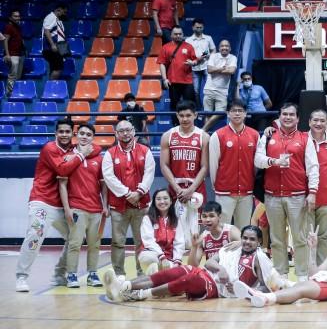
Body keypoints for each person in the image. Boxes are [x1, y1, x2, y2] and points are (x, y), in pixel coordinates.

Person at [15, 119, 99, 292]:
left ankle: (59, 274)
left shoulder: (72, 151)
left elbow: (94, 149)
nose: (64, 135)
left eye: (68, 132)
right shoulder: (50, 148)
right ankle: (22, 277)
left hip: (62, 205)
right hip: (42, 201)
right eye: (61, 132)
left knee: (74, 238)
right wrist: (80, 155)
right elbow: (62, 170)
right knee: (35, 236)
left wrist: (83, 152)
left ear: (72, 134)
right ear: (56, 134)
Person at [104, 225, 279, 302]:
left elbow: (265, 287)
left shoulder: (260, 258)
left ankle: (141, 294)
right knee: (175, 272)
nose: (247, 242)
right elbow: (210, 262)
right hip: (210, 274)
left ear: (259, 242)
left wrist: (245, 290)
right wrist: (221, 268)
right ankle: (123, 287)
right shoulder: (233, 247)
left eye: (252, 240)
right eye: (245, 238)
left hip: (218, 288)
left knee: (191, 276)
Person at [255, 103, 319, 280]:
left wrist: (312, 192)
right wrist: (274, 162)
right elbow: (258, 160)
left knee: (300, 239)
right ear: (279, 116)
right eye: (284, 114)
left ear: (298, 118)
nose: (288, 117)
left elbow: (313, 167)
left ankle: (302, 275)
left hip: (297, 196)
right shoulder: (268, 136)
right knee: (277, 239)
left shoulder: (305, 138)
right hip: (272, 196)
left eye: (292, 114)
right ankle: (281, 275)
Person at [57, 123, 109, 288]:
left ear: (93, 138)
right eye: (81, 133)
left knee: (94, 244)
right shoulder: (68, 157)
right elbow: (62, 185)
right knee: (75, 244)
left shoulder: (100, 159)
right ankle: (71, 275)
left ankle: (92, 274)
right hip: (77, 208)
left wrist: (105, 206)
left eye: (88, 134)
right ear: (76, 135)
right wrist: (67, 208)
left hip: (96, 209)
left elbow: (103, 186)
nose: (84, 136)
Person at [102, 120, 155, 277]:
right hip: (118, 206)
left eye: (128, 130)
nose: (125, 133)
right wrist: (127, 193)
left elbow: (149, 173)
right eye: (121, 131)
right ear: (116, 134)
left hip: (142, 204)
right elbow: (108, 177)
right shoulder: (110, 154)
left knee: (142, 241)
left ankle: (142, 273)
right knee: (118, 242)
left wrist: (138, 192)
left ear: (134, 131)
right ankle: (119, 275)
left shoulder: (146, 151)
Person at [160, 101, 210, 245]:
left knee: (196, 233)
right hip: (176, 188)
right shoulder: (168, 135)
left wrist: (191, 189)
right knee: (176, 231)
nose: (185, 119)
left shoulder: (203, 136)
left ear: (195, 115)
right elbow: (164, 165)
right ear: (177, 116)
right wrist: (178, 189)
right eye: (181, 115)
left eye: (188, 115)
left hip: (196, 188)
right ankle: (178, 264)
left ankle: (194, 266)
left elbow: (205, 167)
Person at [209, 100, 259, 229]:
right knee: (222, 229)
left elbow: (256, 165)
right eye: (233, 111)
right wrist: (217, 186)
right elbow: (213, 164)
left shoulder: (254, 135)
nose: (237, 114)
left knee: (243, 229)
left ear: (245, 113)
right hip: (224, 191)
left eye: (240, 111)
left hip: (246, 191)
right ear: (227, 113)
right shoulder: (218, 135)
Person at [308, 109, 327, 264]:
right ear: (309, 122)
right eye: (315, 120)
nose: (318, 124)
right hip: (306, 198)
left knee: (324, 236)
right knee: (307, 236)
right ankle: (307, 271)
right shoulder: (301, 138)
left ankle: (323, 271)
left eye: (322, 121)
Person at [138, 189, 186, 275]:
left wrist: (177, 262)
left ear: (171, 201)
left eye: (165, 198)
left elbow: (179, 243)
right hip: (153, 255)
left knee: (182, 274)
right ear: (154, 202)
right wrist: (162, 257)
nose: (162, 201)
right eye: (158, 199)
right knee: (148, 259)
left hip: (169, 260)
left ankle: (153, 279)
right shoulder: (147, 219)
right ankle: (154, 279)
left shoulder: (176, 221)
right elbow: (149, 241)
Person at [158, 26, 197, 126]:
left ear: (183, 35)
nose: (178, 36)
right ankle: (176, 126)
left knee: (190, 105)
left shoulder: (189, 46)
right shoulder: (165, 47)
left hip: (187, 81)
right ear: (171, 35)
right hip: (173, 81)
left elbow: (195, 60)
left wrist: (193, 63)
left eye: (180, 34)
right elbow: (162, 63)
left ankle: (191, 125)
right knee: (174, 105)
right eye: (176, 34)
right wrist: (164, 79)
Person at [187, 201, 241, 267]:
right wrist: (194, 246)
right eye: (204, 216)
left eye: (211, 216)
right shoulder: (202, 238)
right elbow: (192, 266)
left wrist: (240, 243)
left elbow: (248, 247)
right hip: (212, 273)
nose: (207, 220)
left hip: (231, 270)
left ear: (219, 217)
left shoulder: (231, 231)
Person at [203, 40, 237, 130]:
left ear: (230, 48)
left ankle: (202, 131)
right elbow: (209, 70)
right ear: (219, 48)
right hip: (209, 89)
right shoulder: (213, 56)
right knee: (207, 114)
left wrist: (216, 69)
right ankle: (206, 137)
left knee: (221, 112)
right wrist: (222, 68)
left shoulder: (233, 58)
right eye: (222, 46)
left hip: (222, 91)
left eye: (226, 46)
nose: (224, 48)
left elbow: (232, 71)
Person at [185, 18, 216, 109]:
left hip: (206, 67)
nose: (199, 29)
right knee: (196, 91)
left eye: (201, 27)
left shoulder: (208, 38)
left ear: (203, 27)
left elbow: (213, 49)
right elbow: (186, 54)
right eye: (197, 27)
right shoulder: (188, 40)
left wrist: (211, 58)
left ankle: (209, 108)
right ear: (193, 27)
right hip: (194, 68)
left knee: (209, 89)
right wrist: (191, 61)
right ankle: (199, 109)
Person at [42, 3, 68, 80]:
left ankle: (51, 88)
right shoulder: (51, 17)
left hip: (57, 48)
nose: (65, 14)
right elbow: (47, 31)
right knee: (58, 69)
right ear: (58, 10)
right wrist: (52, 45)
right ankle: (50, 88)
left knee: (54, 68)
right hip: (52, 48)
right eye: (64, 12)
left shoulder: (57, 19)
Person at [3, 8, 25, 96]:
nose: (17, 18)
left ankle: (15, 92)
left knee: (18, 76)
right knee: (12, 75)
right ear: (10, 17)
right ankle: (9, 94)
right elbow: (5, 40)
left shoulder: (18, 27)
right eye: (15, 16)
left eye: (18, 16)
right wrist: (7, 55)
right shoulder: (8, 27)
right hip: (12, 55)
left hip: (18, 54)